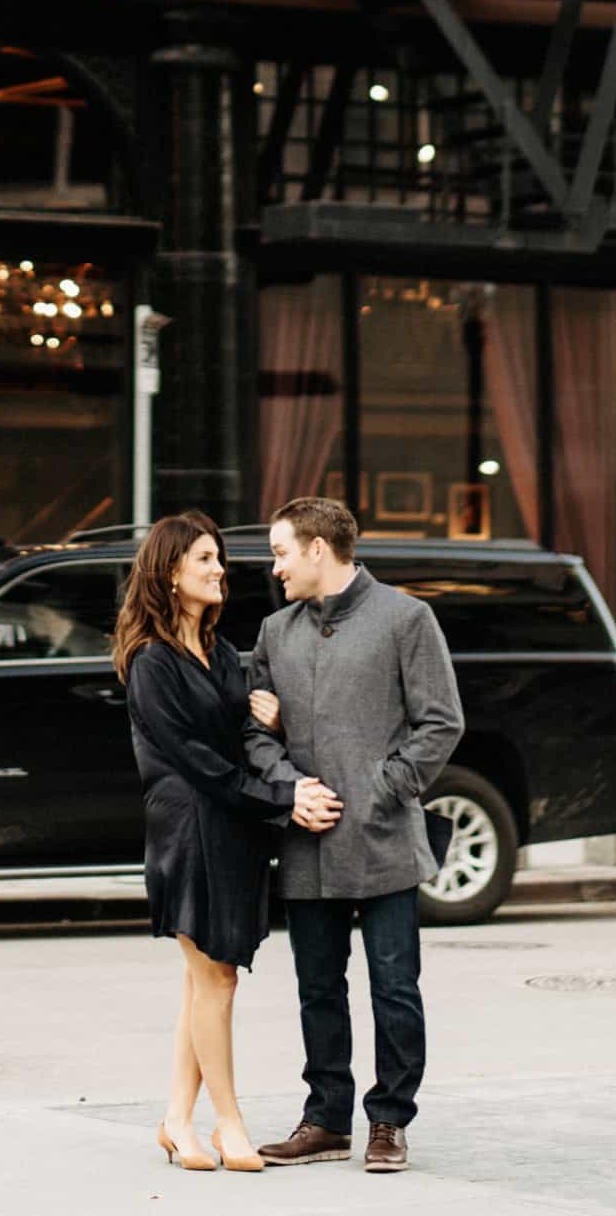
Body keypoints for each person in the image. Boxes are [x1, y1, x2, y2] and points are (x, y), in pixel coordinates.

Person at [116, 511, 344, 1174]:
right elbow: (200, 763)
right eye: (207, 559)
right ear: (169, 572)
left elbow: (234, 734)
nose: (221, 570)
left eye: (219, 559)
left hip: (234, 827)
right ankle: (229, 1121)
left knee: (209, 980)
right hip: (188, 829)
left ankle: (177, 1119)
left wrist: (255, 707)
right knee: (211, 975)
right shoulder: (151, 662)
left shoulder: (219, 652)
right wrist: (283, 797)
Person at [245, 496, 463, 1178]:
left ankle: (390, 1118)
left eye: (281, 551)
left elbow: (441, 723)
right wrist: (290, 790)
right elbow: (252, 731)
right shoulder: (275, 631)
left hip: (385, 839)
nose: (275, 566)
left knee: (395, 985)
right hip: (307, 843)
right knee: (318, 986)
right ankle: (326, 1118)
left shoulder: (406, 617)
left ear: (317, 548)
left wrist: (381, 787)